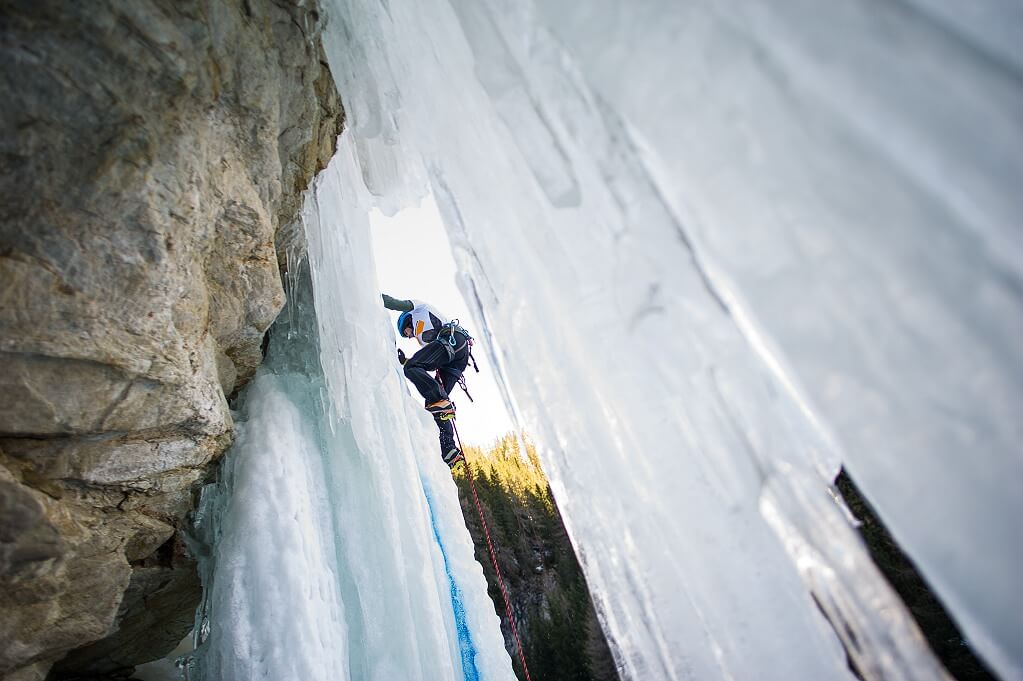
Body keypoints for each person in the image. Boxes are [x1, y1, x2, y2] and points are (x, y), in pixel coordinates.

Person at [382, 293, 473, 467]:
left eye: (407, 333)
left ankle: (441, 401)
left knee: (414, 372)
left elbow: (395, 303)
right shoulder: (424, 339)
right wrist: (405, 361)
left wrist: (372, 294)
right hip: (457, 356)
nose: (409, 337)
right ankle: (449, 450)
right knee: (435, 405)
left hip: (452, 340)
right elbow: (427, 362)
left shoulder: (419, 309)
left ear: (406, 322)